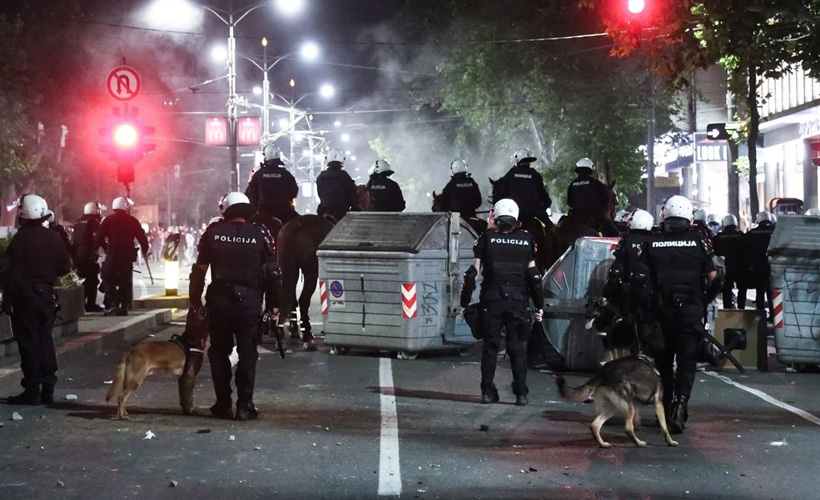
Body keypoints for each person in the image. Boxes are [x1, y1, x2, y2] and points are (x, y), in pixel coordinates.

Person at [189, 192, 281, 421]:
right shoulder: (260, 233)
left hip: (219, 301)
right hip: (249, 302)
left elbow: (199, 271)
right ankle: (245, 405)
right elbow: (273, 273)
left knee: (219, 352)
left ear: (226, 209)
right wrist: (274, 307)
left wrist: (194, 301)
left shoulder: (212, 233)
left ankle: (223, 404)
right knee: (248, 353)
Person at [640, 195, 719, 434]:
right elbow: (715, 278)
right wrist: (703, 300)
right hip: (690, 313)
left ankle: (665, 409)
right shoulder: (699, 241)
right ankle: (680, 407)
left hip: (662, 315)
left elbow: (641, 280)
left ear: (665, 215)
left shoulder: (652, 243)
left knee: (664, 365)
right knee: (687, 363)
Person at [460, 198, 543, 406]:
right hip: (517, 301)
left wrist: (464, 302)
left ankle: (487, 392)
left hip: (492, 300)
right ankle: (521, 393)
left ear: (496, 216)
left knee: (490, 347)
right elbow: (534, 276)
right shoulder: (527, 239)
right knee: (517, 347)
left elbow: (472, 274)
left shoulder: (486, 238)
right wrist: (539, 305)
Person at [1, 194, 71, 405]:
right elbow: (64, 267)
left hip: (26, 297)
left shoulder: (20, 240)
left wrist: (8, 300)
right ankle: (48, 387)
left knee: (29, 343)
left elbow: (13, 272)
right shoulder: (54, 238)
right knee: (45, 341)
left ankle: (32, 390)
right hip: (47, 297)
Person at [94, 197, 149, 316]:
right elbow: (142, 237)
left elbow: (98, 237)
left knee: (107, 278)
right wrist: (145, 250)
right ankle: (124, 306)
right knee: (125, 281)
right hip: (127, 255)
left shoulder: (108, 220)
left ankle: (114, 304)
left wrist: (96, 250)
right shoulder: (132, 220)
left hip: (113, 254)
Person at [493, 148, 551, 225]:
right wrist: (543, 207)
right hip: (533, 212)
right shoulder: (535, 175)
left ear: (518, 160)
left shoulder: (511, 173)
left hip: (512, 212)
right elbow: (544, 196)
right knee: (551, 230)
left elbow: (501, 193)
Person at [245, 144, 299, 225]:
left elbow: (251, 193)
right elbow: (294, 191)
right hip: (284, 213)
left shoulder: (259, 174)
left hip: (263, 213)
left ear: (266, 156)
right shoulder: (285, 174)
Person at [566, 157, 619, 236]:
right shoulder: (595, 183)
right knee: (613, 231)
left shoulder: (572, 184)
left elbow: (569, 202)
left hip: (575, 215)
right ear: (590, 170)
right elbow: (605, 199)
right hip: (593, 216)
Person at [72, 202, 104, 312]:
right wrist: (104, 248)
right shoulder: (93, 221)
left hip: (77, 256)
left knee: (82, 280)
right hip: (88, 256)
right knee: (93, 280)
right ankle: (90, 304)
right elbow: (98, 237)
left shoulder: (78, 222)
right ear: (95, 210)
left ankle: (80, 303)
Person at [744, 211, 776, 316]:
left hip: (758, 267)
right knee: (773, 292)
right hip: (774, 266)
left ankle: (760, 314)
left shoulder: (752, 233)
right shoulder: (776, 232)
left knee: (760, 291)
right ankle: (773, 315)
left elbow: (746, 250)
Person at [712, 214, 746, 309]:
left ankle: (727, 308)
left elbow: (715, 251)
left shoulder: (719, 236)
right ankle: (741, 308)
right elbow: (747, 250)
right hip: (739, 266)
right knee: (742, 288)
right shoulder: (741, 235)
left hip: (725, 266)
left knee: (726, 289)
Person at [316, 150, 358, 222]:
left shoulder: (321, 176)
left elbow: (320, 193)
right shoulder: (344, 175)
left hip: (323, 209)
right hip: (341, 211)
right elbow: (351, 193)